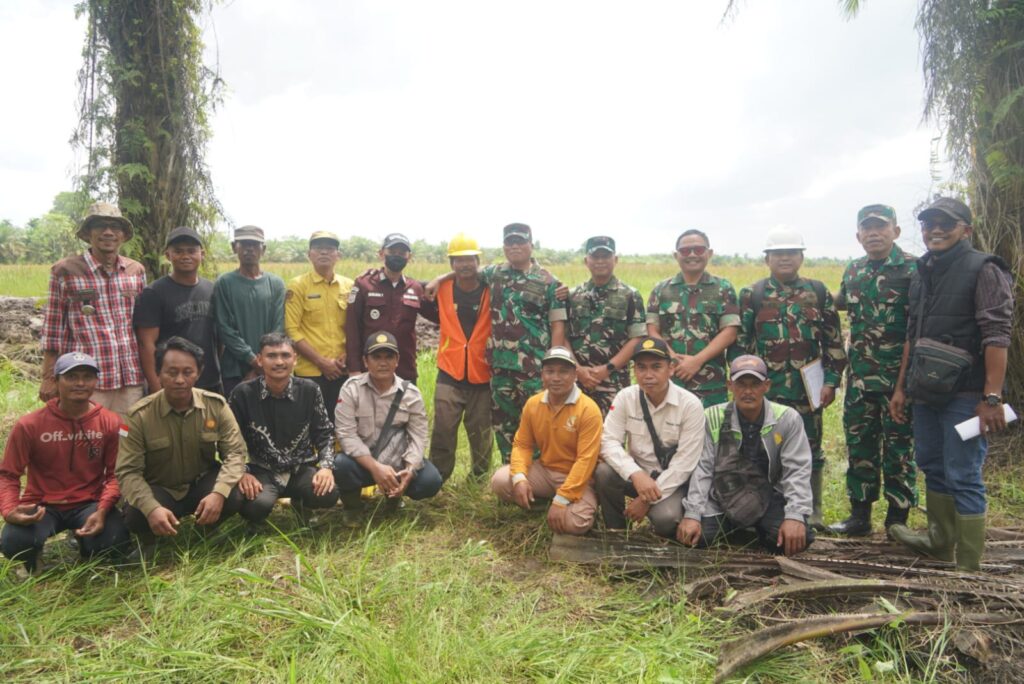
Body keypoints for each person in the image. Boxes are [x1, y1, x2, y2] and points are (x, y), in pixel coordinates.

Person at [888, 197, 1014, 571]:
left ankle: (969, 566)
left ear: (966, 229)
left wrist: (991, 397)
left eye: (946, 223)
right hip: (926, 392)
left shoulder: (984, 269)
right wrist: (901, 388)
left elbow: (997, 335)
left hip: (967, 393)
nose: (936, 230)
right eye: (928, 224)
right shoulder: (923, 270)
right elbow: (913, 335)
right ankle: (940, 542)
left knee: (963, 471)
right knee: (931, 462)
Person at [734, 227, 846, 529]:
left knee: (811, 451)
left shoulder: (818, 292)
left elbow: (833, 343)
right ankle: (764, 510)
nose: (785, 258)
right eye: (778, 253)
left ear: (801, 256)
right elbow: (742, 347)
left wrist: (831, 382)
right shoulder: (753, 294)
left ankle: (812, 513)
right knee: (760, 450)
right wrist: (744, 388)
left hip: (806, 392)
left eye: (791, 252)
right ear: (767, 259)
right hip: (764, 392)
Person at [829, 205, 917, 537]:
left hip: (899, 381)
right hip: (861, 380)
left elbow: (915, 331)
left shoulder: (913, 270)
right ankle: (859, 517)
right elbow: (840, 305)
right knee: (860, 447)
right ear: (858, 235)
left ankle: (897, 520)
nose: (874, 233)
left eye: (881, 227)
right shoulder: (854, 271)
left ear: (895, 231)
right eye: (867, 228)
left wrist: (903, 387)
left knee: (899, 451)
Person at [1, 352, 130, 573]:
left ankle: (88, 549)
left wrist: (103, 509)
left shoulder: (112, 422)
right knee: (14, 542)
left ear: (95, 381)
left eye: (87, 376)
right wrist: (10, 509)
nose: (80, 383)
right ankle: (32, 560)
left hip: (89, 503)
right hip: (43, 505)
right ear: (56, 381)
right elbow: (8, 474)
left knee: (116, 541)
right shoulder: (29, 425)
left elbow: (116, 473)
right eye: (71, 377)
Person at [116, 337, 246, 551]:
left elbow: (235, 453)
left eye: (187, 372)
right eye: (171, 372)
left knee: (233, 494)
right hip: (160, 488)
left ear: (199, 372)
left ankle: (208, 528)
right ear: (158, 373)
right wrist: (151, 508)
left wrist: (218, 493)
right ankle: (149, 541)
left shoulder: (216, 405)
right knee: (136, 515)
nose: (179, 380)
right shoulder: (138, 416)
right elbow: (127, 471)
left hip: (200, 484)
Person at [678, 355, 815, 556]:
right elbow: (703, 468)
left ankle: (755, 528)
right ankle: (740, 529)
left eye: (755, 384)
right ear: (730, 385)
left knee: (795, 541)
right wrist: (692, 513)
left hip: (769, 497)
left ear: (766, 386)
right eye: (741, 384)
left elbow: (798, 471)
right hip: (722, 497)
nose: (748, 391)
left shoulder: (787, 419)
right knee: (697, 539)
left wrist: (795, 515)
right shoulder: (711, 416)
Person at [39, 202, 147, 417]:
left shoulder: (135, 271)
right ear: (88, 233)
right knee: (86, 440)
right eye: (100, 226)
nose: (108, 232)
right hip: (85, 381)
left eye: (115, 227)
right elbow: (53, 330)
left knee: (125, 438)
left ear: (123, 235)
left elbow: (144, 327)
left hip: (130, 379)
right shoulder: (66, 270)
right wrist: (49, 378)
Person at [596, 337, 706, 538]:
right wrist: (635, 474)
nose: (648, 375)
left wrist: (646, 500)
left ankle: (657, 533)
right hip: (638, 476)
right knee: (604, 472)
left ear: (671, 368)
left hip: (671, 482)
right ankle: (616, 531)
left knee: (666, 519)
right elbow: (608, 441)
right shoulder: (625, 398)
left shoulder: (690, 405)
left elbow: (685, 464)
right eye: (641, 368)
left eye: (656, 367)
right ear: (634, 371)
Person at [228, 333, 338, 528]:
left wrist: (326, 467)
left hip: (300, 467)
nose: (279, 361)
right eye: (271, 356)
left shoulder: (310, 390)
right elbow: (229, 440)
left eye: (285, 355)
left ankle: (302, 504)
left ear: (295, 359)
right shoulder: (242, 393)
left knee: (328, 493)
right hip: (261, 469)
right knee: (255, 505)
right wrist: (242, 472)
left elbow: (324, 432)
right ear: (260, 360)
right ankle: (256, 521)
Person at [333, 332, 443, 524]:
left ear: (397, 360)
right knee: (340, 465)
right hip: (363, 462)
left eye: (388, 357)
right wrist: (375, 468)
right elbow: (346, 435)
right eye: (376, 357)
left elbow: (418, 436)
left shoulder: (411, 394)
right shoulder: (351, 389)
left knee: (430, 481)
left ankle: (394, 498)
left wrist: (410, 469)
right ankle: (353, 508)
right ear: (365, 361)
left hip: (397, 463)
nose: (382, 363)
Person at [490, 347, 601, 536]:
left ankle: (564, 503)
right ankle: (544, 503)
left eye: (563, 371)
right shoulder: (534, 404)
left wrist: (563, 498)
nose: (556, 378)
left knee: (575, 523)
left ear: (575, 375)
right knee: (500, 481)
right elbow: (522, 444)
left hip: (578, 478)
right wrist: (519, 478)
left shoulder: (588, 410)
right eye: (550, 371)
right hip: (545, 471)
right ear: (542, 375)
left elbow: (586, 461)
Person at [419, 233, 494, 481]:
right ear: (451, 263)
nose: (464, 265)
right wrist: (440, 279)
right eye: (458, 260)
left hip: (482, 371)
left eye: (469, 259)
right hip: (449, 372)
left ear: (478, 260)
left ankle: (479, 478)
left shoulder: (491, 287)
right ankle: (438, 478)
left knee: (481, 432)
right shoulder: (441, 289)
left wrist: (442, 275)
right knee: (443, 429)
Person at [647, 229, 740, 408]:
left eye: (698, 250)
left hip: (710, 384)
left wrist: (696, 361)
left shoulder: (723, 288)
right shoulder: (661, 290)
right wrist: (673, 360)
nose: (691, 255)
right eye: (685, 251)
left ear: (709, 253)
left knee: (710, 432)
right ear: (676, 255)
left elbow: (729, 332)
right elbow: (652, 329)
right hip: (670, 380)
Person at [134, 226, 222, 394]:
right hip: (173, 383)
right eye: (179, 251)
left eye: (191, 251)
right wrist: (155, 385)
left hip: (209, 381)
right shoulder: (154, 293)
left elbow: (219, 340)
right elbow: (146, 344)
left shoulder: (213, 290)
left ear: (201, 255)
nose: (185, 256)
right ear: (168, 255)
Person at [568, 236, 647, 415]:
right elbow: (562, 336)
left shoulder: (630, 295)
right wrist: (578, 370)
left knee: (612, 437)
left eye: (606, 256)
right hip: (576, 380)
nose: (600, 261)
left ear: (616, 260)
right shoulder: (572, 296)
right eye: (595, 256)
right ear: (586, 261)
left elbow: (637, 338)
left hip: (614, 381)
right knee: (572, 435)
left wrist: (607, 369)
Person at [285, 231, 354, 418]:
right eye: (318, 248)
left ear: (338, 255)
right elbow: (292, 330)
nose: (324, 252)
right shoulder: (298, 286)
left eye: (330, 248)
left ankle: (339, 449)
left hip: (343, 369)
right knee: (311, 423)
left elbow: (355, 327)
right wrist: (321, 362)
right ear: (309, 255)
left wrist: (348, 355)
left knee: (342, 421)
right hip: (310, 371)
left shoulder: (349, 286)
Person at [213, 225, 286, 397]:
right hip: (235, 370)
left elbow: (278, 327)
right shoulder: (225, 283)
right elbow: (225, 328)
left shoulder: (275, 284)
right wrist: (253, 361)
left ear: (263, 249)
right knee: (235, 419)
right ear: (234, 247)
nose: (249, 249)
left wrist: (264, 363)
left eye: (255, 244)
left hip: (271, 367)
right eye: (244, 244)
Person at [345, 233, 427, 385]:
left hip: (404, 369)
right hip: (369, 370)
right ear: (382, 254)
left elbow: (439, 315)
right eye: (392, 252)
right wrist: (354, 368)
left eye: (402, 253)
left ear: (409, 257)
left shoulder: (415, 288)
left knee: (404, 409)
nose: (397, 256)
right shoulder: (364, 284)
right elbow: (352, 328)